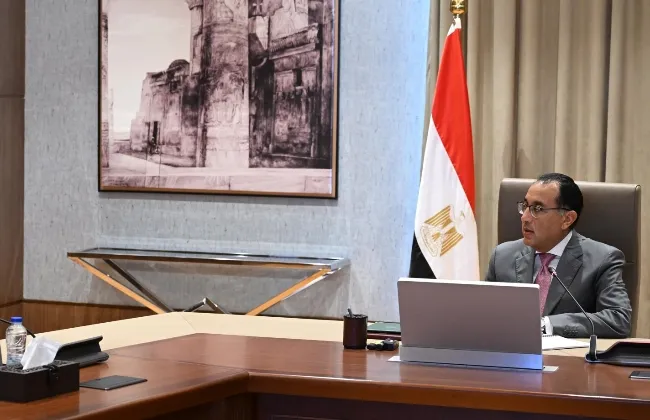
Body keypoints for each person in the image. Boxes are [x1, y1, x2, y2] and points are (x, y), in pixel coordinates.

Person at [484, 173, 632, 338]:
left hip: (570, 354)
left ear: (567, 219)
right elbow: (483, 314)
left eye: (537, 209)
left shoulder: (603, 259)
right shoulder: (502, 257)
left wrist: (548, 325)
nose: (525, 217)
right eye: (525, 206)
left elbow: (618, 319)